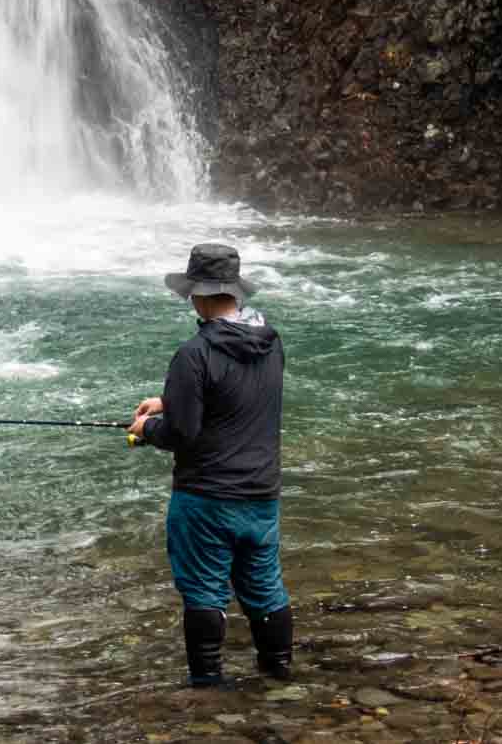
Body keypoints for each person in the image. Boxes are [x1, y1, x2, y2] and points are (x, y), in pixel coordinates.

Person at [127, 243, 292, 688]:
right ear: (234, 293)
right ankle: (278, 677)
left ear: (197, 296)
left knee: (204, 592)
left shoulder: (193, 355)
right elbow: (240, 393)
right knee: (264, 588)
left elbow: (182, 434)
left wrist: (146, 429)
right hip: (261, 495)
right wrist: (170, 400)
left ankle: (207, 688)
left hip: (206, 498)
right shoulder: (269, 343)